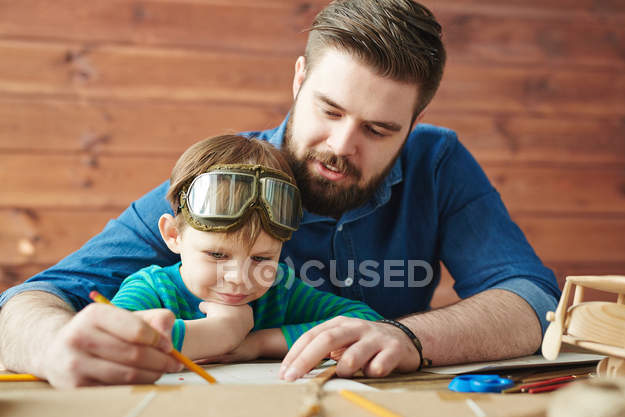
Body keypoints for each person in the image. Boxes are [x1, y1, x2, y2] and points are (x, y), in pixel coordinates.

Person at [0, 0, 560, 387]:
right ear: (299, 80)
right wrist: (53, 347)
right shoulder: (224, 177)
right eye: (329, 109)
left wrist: (408, 337)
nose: (341, 146)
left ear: (414, 122)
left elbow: (533, 300)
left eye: (380, 130)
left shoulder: (438, 163)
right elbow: (28, 302)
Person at [110, 134, 382, 361]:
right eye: (217, 254)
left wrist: (258, 343)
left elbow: (365, 321)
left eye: (261, 258)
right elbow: (115, 340)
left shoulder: (278, 290)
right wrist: (223, 332)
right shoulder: (153, 289)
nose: (239, 278)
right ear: (173, 235)